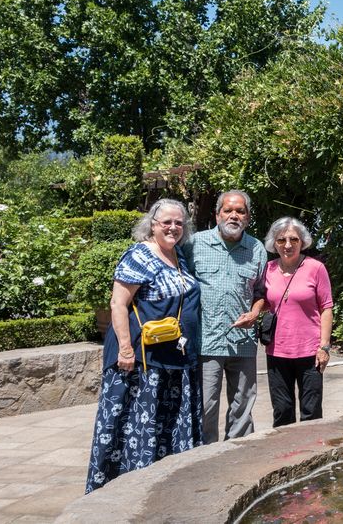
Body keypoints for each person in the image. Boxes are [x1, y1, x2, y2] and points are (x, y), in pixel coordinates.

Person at [85, 199, 202, 493]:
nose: (174, 227)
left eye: (179, 223)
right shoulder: (139, 256)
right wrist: (126, 350)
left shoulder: (177, 256)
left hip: (174, 360)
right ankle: (127, 490)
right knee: (135, 426)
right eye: (167, 222)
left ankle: (165, 486)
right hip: (142, 361)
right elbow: (118, 304)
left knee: (166, 425)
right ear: (152, 224)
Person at [183, 190, 267, 444]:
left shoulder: (257, 248)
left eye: (240, 211)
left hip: (242, 342)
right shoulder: (195, 243)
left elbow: (261, 292)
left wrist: (254, 313)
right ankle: (205, 458)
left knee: (243, 406)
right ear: (217, 214)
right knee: (206, 406)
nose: (234, 215)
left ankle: (238, 457)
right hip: (205, 342)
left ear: (248, 217)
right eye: (228, 210)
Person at [262, 217, 333, 425]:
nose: (287, 245)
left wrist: (324, 347)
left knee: (311, 412)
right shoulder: (268, 269)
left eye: (293, 239)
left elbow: (326, 308)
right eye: (281, 240)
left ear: (302, 241)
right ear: (274, 244)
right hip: (277, 351)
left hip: (310, 351)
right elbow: (264, 302)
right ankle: (286, 456)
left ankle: (312, 453)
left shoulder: (315, 268)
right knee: (282, 411)